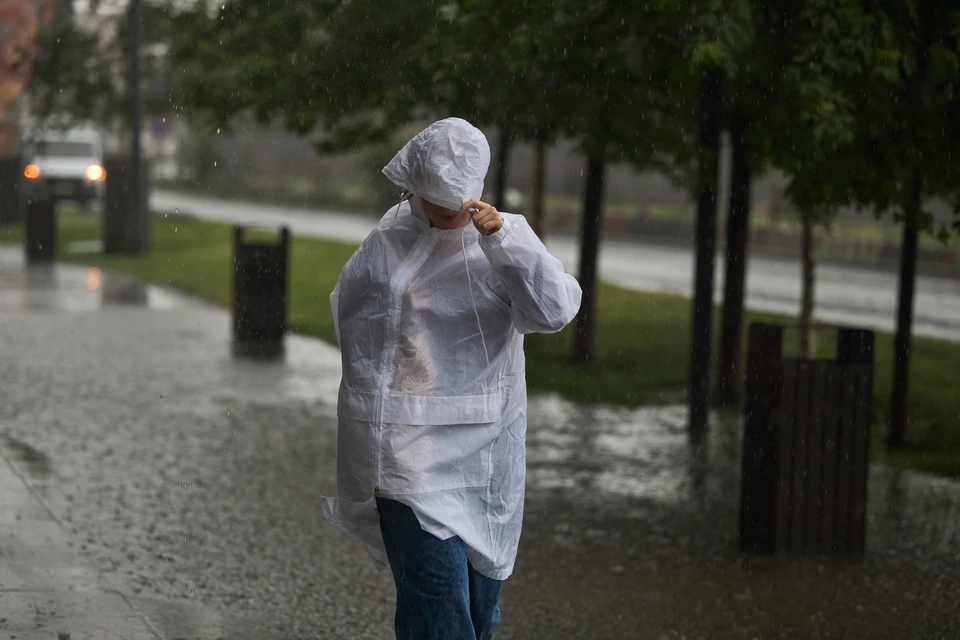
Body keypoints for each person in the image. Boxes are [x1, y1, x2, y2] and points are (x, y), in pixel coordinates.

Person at [322, 118, 582, 639]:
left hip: (485, 457)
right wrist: (372, 437)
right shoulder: (389, 240)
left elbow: (554, 310)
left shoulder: (498, 240)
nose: (449, 212)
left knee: (479, 616)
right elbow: (359, 329)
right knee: (440, 616)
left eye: (456, 199)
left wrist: (505, 240)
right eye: (436, 198)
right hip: (407, 461)